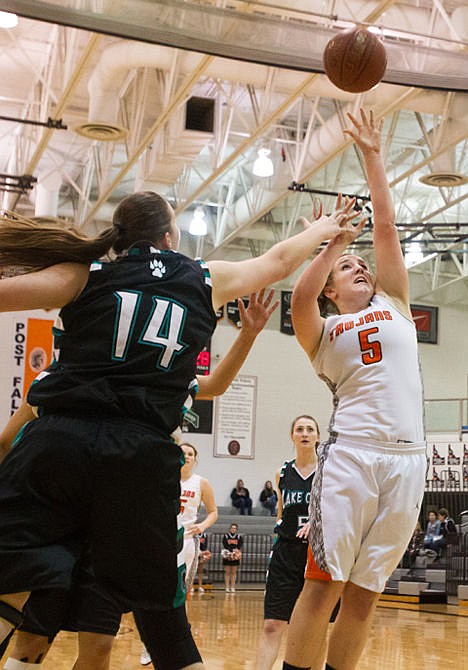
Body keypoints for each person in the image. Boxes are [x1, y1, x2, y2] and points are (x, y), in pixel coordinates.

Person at [0, 191, 354, 669]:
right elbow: (277, 261)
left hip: (58, 443)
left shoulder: (85, 274)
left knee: (12, 592)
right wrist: (322, 229)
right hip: (139, 455)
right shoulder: (202, 276)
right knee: (164, 623)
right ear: (171, 236)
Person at [1, 290, 278, 670]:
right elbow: (5, 441)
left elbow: (211, 386)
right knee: (36, 636)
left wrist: (247, 337)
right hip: (63, 527)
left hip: (117, 529)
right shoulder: (60, 379)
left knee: (95, 643)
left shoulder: (156, 381)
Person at [283, 110, 427, 670]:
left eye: (359, 261)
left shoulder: (393, 302)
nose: (359, 266)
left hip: (408, 461)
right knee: (323, 588)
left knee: (365, 596)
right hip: (351, 459)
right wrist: (328, 245)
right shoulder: (321, 330)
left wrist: (372, 155)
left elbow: (386, 229)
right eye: (347, 266)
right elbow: (298, 299)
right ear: (331, 287)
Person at [140, 441, 217, 666]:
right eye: (183, 453)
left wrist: (201, 527)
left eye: (190, 453)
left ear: (195, 458)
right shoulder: (162, 477)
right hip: (160, 540)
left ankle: (174, 640)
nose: (186, 456)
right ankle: (149, 645)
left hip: (186, 541)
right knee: (154, 591)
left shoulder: (201, 482)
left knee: (179, 594)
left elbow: (213, 512)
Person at [255, 415, 321, 670]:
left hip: (317, 555)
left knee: (315, 630)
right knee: (272, 624)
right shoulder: (282, 472)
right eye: (299, 429)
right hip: (286, 553)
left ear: (317, 436)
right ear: (292, 436)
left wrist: (317, 523)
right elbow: (281, 514)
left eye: (310, 429)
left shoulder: (329, 471)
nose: (304, 433)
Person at [222, 523, 243, 593]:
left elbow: (239, 546)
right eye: (232, 528)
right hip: (227, 554)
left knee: (234, 572)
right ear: (230, 528)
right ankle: (227, 587)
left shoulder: (239, 537)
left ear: (236, 529)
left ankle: (232, 587)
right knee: (227, 571)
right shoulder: (226, 536)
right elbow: (225, 545)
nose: (233, 529)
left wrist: (235, 552)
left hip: (235, 555)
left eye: (234, 528)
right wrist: (229, 552)